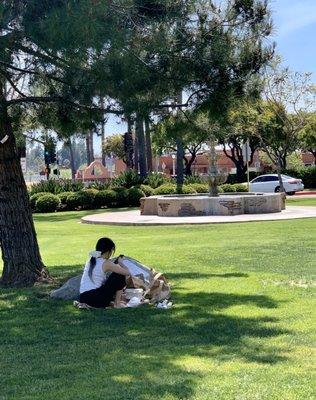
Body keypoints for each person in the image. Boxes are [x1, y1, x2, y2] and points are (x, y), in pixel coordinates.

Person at [79, 237, 130, 309]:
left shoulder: (91, 259)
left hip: (83, 298)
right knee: (120, 275)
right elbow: (127, 272)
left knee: (113, 277)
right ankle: (117, 304)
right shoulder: (106, 263)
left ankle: (116, 301)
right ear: (108, 251)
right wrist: (121, 263)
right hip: (95, 298)